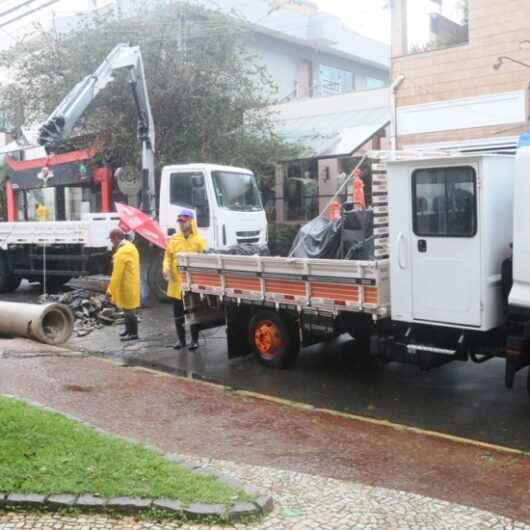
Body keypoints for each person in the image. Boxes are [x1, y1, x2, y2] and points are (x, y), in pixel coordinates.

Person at [163, 208, 206, 351]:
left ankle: (194, 340)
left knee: (193, 313)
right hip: (176, 284)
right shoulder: (174, 239)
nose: (181, 224)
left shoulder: (199, 240)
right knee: (178, 314)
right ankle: (181, 340)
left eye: (184, 221)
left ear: (191, 221)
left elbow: (204, 259)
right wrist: (165, 268)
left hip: (192, 283)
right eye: (179, 221)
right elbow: (167, 257)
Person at [106, 228, 140, 341]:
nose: (111, 242)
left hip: (127, 284)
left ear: (116, 238)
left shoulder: (122, 252)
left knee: (129, 310)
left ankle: (133, 334)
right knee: (126, 309)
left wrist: (110, 290)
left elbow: (117, 274)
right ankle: (128, 330)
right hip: (131, 282)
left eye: (111, 240)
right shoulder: (130, 247)